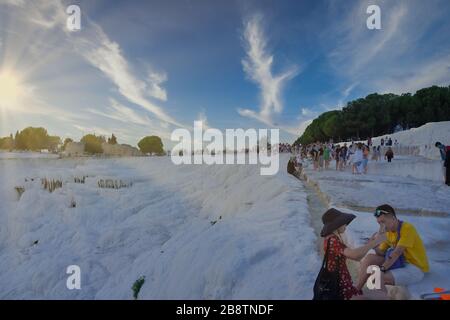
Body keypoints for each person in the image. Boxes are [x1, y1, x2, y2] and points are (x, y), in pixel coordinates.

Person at [356, 205, 429, 295]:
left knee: (376, 277)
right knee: (370, 258)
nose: (381, 226)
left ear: (393, 218)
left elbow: (396, 253)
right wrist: (373, 245)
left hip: (414, 268)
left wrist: (382, 269)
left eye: (383, 222)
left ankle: (382, 296)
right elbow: (381, 253)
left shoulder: (407, 228)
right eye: (379, 223)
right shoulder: (388, 232)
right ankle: (356, 290)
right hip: (400, 262)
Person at [315, 208, 386, 300]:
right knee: (383, 296)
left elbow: (357, 257)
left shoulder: (331, 238)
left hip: (341, 286)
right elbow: (355, 255)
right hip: (341, 290)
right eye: (343, 222)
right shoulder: (332, 240)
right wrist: (375, 242)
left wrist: (370, 243)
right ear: (337, 225)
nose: (345, 225)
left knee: (380, 294)